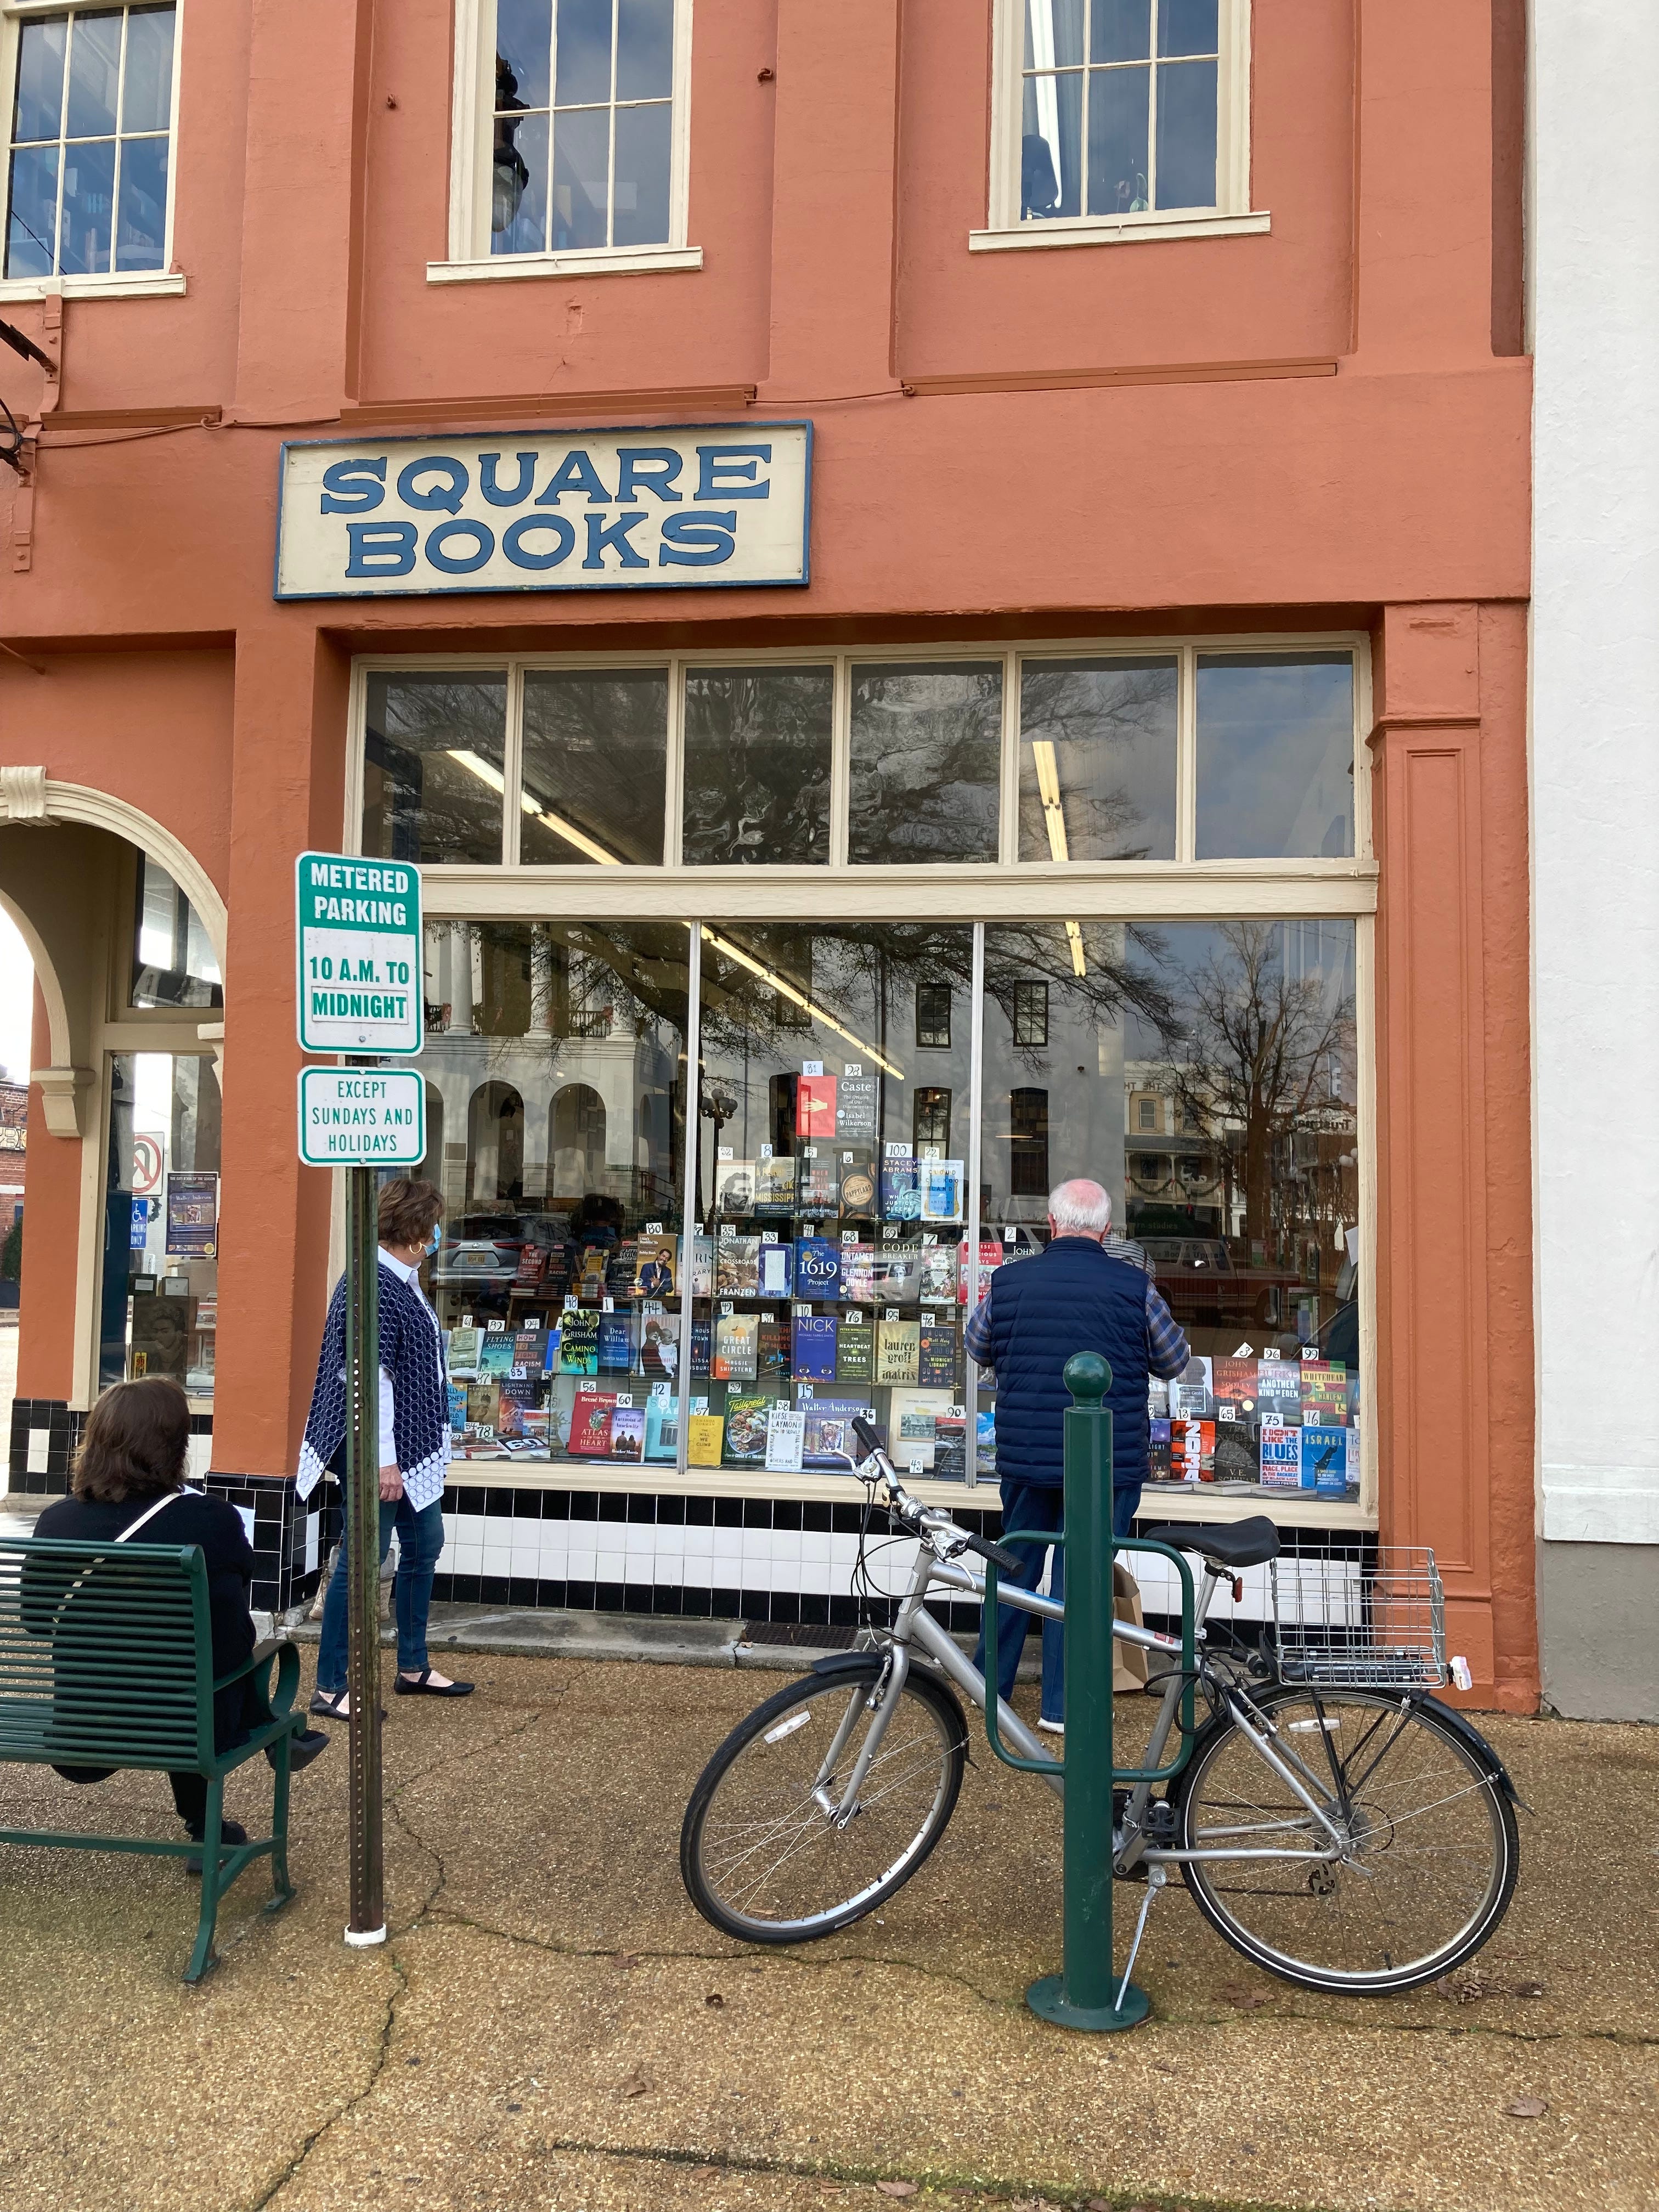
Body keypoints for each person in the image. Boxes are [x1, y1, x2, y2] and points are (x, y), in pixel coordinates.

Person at [30, 1376, 329, 1865]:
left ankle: (206, 1821)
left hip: (83, 1732)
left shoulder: (57, 1521)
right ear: (174, 1448)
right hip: (190, 1729)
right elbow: (231, 1635)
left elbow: (38, 1622)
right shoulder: (210, 1519)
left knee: (174, 1671)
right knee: (214, 1666)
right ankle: (231, 1792)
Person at [966, 1177, 1190, 1733]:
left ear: (1051, 1223)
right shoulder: (1134, 1287)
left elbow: (976, 1346)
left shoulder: (1009, 1282)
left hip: (1026, 1456)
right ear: (1106, 1231)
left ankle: (988, 1687)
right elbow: (1174, 1360)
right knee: (1082, 1578)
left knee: (1016, 1567)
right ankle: (1064, 1706)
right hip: (1106, 1463)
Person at [299, 1178, 473, 1714]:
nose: (438, 1236)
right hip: (381, 1452)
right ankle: (331, 1685)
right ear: (418, 1232)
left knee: (425, 1545)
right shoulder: (370, 1283)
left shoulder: (404, 1278)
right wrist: (383, 1461)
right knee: (363, 1561)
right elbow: (368, 1379)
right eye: (434, 1227)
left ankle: (413, 1665)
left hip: (412, 1450)